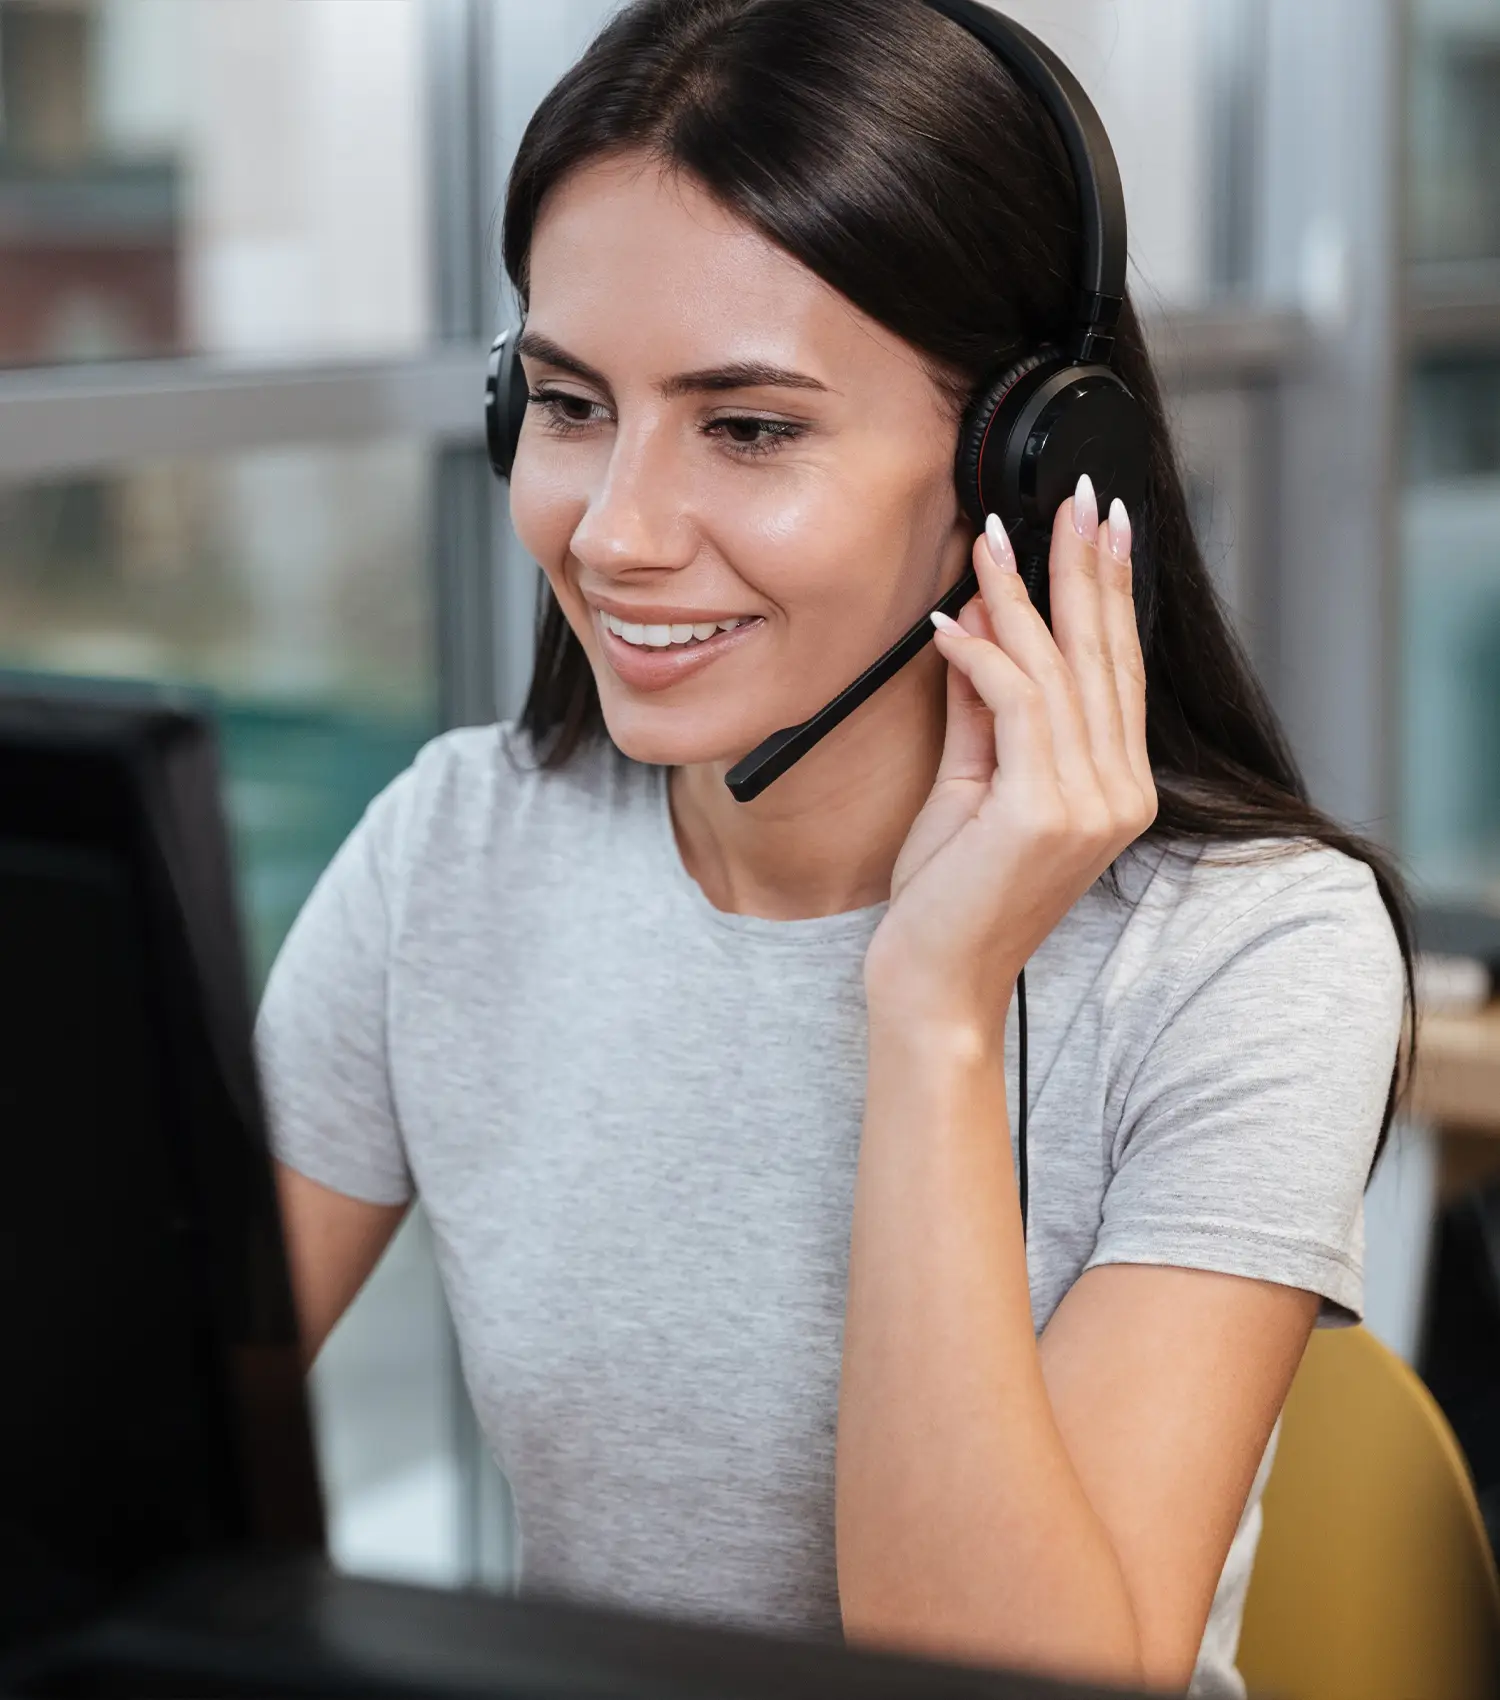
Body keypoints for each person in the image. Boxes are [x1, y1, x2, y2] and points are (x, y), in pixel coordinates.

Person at [255, 2, 1415, 1695]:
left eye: (750, 428)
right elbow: (120, 1427)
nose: (619, 530)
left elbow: (1017, 1681)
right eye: (572, 406)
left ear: (1026, 463)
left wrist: (938, 1004)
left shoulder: (1253, 957)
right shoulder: (456, 850)